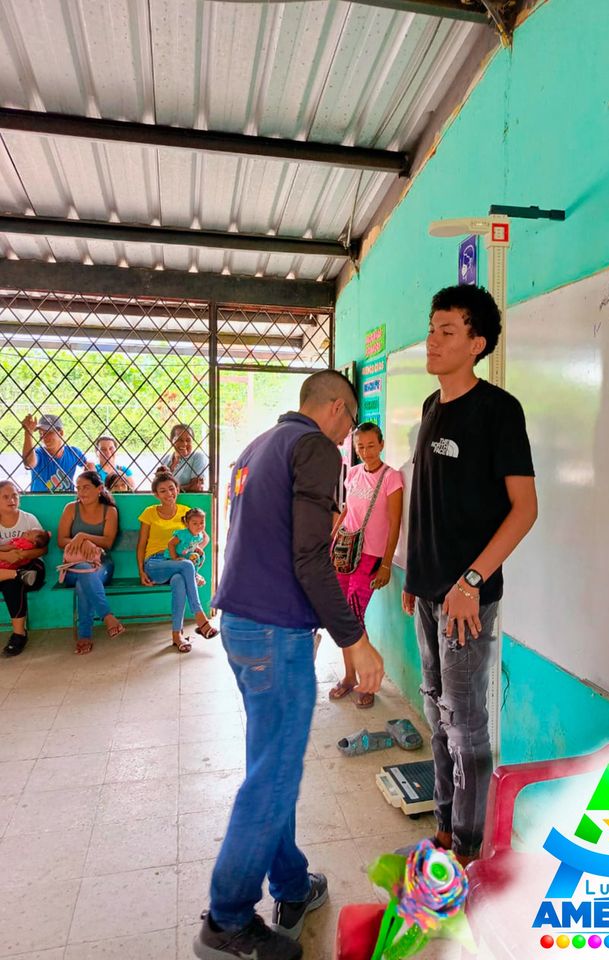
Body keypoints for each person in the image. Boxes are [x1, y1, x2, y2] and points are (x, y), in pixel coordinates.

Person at [194, 370, 384, 960]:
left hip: (242, 623)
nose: (349, 436)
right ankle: (227, 919)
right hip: (275, 632)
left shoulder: (258, 447)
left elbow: (264, 540)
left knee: (269, 765)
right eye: (350, 422)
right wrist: (354, 638)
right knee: (273, 777)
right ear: (336, 408)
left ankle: (292, 884)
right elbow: (309, 555)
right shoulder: (316, 448)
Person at [402, 284, 538, 868]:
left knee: (466, 727)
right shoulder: (430, 408)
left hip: (467, 599)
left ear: (476, 343)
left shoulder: (498, 411)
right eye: (431, 329)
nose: (432, 341)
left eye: (447, 331)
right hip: (430, 593)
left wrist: (471, 582)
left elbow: (525, 510)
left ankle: (471, 850)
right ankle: (444, 828)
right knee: (436, 714)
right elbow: (426, 502)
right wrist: (414, 576)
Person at [329, 421, 403, 708]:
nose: (366, 451)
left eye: (371, 445)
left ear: (381, 444)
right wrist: (332, 540)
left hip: (371, 556)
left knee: (353, 616)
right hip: (344, 551)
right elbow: (347, 509)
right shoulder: (354, 473)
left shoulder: (392, 478)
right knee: (341, 616)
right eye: (361, 446)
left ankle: (368, 681)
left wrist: (386, 564)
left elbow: (395, 523)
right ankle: (349, 677)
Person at [137, 471, 217, 652]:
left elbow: (203, 537)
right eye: (163, 491)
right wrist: (141, 571)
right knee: (186, 565)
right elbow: (141, 545)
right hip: (155, 563)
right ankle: (200, 617)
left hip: (178, 566)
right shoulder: (149, 513)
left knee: (180, 580)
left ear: (177, 490)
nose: (169, 493)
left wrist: (196, 550)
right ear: (156, 494)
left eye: (172, 489)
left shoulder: (185, 512)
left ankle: (177, 635)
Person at [57, 471, 125, 655]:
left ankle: (85, 635)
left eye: (86, 487)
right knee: (84, 572)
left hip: (102, 564)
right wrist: (82, 542)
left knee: (84, 581)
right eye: (78, 488)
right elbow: (61, 540)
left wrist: (83, 536)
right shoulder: (71, 509)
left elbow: (108, 542)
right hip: (73, 567)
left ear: (99, 489)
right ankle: (107, 616)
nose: (81, 492)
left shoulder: (109, 511)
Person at [0, 480, 49, 657]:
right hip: (7, 567)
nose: (11, 500)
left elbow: (43, 549)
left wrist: (23, 555)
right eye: (5, 497)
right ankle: (15, 574)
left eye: (14, 495)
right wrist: (6, 556)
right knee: (11, 580)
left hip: (31, 570)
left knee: (13, 582)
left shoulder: (29, 519)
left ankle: (19, 634)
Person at [21, 413, 85, 492]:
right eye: (41, 433)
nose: (43, 437)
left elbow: (87, 465)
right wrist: (28, 433)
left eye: (48, 432)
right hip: (40, 499)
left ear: (61, 433)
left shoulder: (73, 452)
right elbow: (29, 463)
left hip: (66, 499)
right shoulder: (39, 453)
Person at [164, 507, 209, 586]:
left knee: (201, 556)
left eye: (202, 523)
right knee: (194, 557)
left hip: (185, 556)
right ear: (187, 524)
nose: (199, 526)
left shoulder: (199, 535)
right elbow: (170, 544)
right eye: (195, 524)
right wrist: (175, 557)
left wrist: (197, 548)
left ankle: (194, 573)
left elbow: (192, 544)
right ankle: (193, 575)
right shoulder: (183, 534)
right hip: (172, 557)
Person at [160, 424, 208, 492]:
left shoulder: (198, 457)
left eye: (188, 440)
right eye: (180, 440)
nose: (184, 444)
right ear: (171, 441)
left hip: (189, 499)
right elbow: (158, 486)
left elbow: (197, 487)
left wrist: (168, 490)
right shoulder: (165, 460)